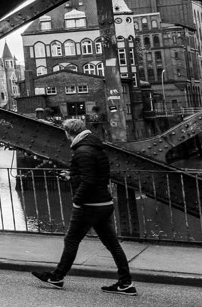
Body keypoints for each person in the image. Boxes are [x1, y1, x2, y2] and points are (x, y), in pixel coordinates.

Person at [33, 115, 135, 293]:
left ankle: (57, 277)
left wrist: (77, 201)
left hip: (90, 205)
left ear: (68, 132)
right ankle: (126, 283)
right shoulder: (95, 148)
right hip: (103, 202)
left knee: (71, 240)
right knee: (113, 245)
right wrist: (72, 176)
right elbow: (96, 175)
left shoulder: (82, 152)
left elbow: (88, 181)